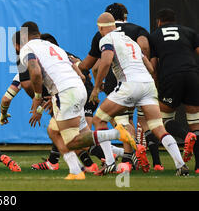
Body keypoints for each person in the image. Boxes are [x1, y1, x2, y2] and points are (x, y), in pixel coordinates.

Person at [18, 21, 134, 179]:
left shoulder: (27, 48)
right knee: (54, 130)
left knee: (72, 141)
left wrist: (38, 97)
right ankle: (75, 170)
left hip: (66, 92)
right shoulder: (51, 46)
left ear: (24, 36)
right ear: (38, 33)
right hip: (78, 88)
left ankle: (116, 133)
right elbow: (76, 69)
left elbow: (36, 72)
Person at [88, 12, 188, 176]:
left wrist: (96, 87)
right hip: (147, 85)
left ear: (100, 28)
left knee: (99, 119)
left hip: (129, 84)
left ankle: (110, 163)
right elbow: (150, 68)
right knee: (157, 127)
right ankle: (181, 164)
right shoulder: (130, 41)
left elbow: (105, 61)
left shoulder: (106, 39)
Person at [77, 3, 153, 170]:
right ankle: (133, 157)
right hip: (145, 81)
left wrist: (95, 84)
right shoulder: (136, 30)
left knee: (107, 119)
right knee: (151, 123)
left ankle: (113, 161)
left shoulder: (103, 36)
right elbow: (145, 48)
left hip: (119, 82)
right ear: (124, 16)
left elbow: (94, 65)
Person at [149, 8, 199, 174]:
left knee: (163, 120)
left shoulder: (155, 35)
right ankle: (198, 167)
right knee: (195, 123)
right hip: (192, 75)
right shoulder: (189, 32)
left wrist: (155, 86)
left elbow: (154, 65)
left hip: (171, 78)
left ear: (159, 22)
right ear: (175, 21)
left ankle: (185, 137)